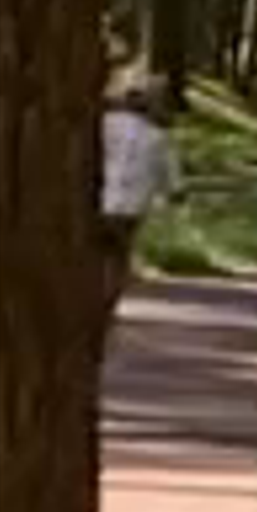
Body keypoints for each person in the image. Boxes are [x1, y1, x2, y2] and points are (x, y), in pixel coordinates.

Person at [97, 57, 178, 334]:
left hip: (100, 201)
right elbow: (171, 179)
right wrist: (173, 195)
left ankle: (94, 302)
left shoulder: (104, 124)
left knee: (96, 254)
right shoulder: (159, 137)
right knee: (119, 258)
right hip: (131, 208)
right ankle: (107, 308)